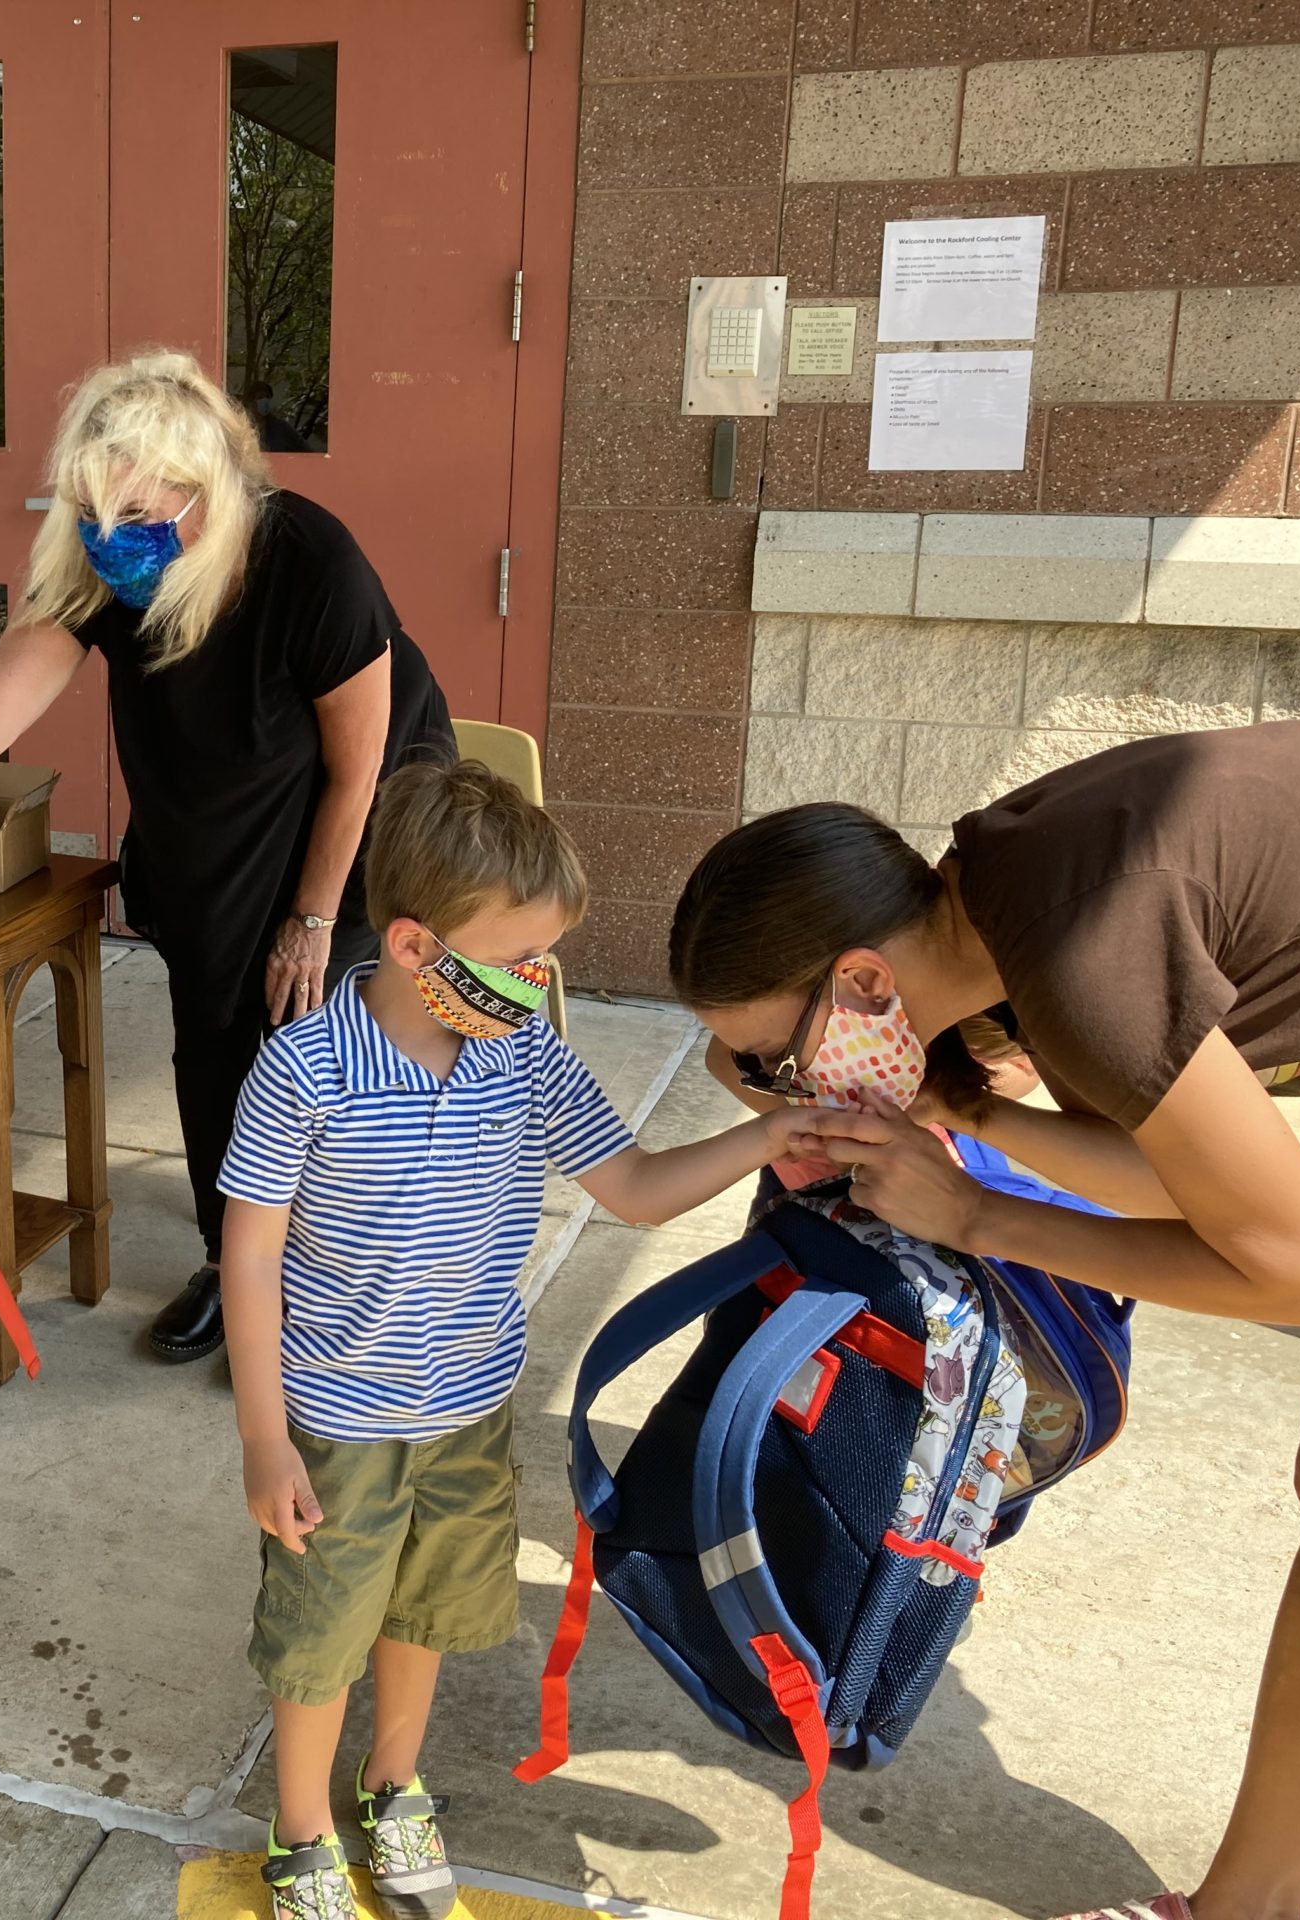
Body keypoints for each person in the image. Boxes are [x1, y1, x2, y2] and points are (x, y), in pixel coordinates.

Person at [664, 722, 1300, 1920]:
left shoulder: (1081, 958)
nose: (791, 1091)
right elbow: (1188, 1176)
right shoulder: (978, 916)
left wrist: (978, 1215)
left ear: (860, 984)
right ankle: (1245, 1909)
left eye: (785, 1062)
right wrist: (949, 1101)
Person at [217, 761, 867, 1920]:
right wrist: (265, 1441)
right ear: (415, 947)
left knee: (425, 1613)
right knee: (321, 1637)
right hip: (338, 1418)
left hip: (468, 1406)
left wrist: (775, 1132)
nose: (533, 984)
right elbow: (250, 1255)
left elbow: (632, 1186)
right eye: (514, 962)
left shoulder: (524, 1058)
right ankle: (305, 1829)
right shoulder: (302, 1072)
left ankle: (394, 1783)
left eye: (544, 961)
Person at [0, 349, 454, 1366]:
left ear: (210, 494)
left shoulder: (314, 561)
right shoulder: (100, 567)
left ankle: (326, 1292)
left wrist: (313, 923)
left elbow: (357, 771)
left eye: (139, 517)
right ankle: (235, 1269)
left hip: (359, 825)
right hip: (211, 810)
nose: (114, 541)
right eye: (92, 515)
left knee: (324, 1046)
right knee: (215, 1037)